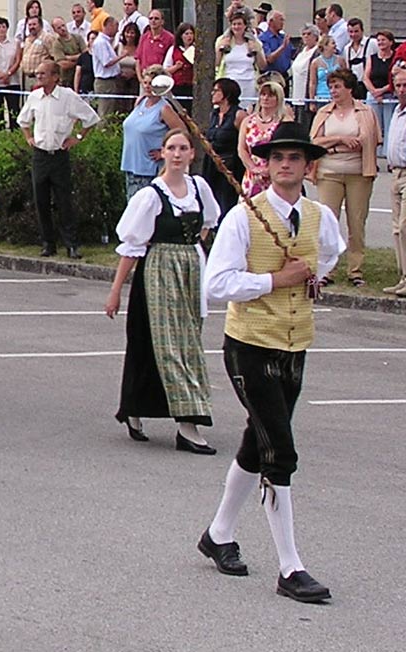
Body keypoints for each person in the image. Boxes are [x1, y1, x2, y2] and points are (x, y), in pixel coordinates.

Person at [196, 121, 342, 605]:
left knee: (256, 442)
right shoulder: (246, 217)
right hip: (250, 345)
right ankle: (290, 566)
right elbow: (217, 284)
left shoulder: (319, 216)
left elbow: (329, 256)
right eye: (277, 157)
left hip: (295, 343)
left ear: (307, 165)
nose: (285, 164)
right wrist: (275, 280)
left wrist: (314, 277)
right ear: (265, 163)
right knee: (279, 449)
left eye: (294, 157)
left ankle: (218, 533)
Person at [105, 129, 219, 453]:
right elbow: (131, 245)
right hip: (158, 272)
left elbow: (208, 223)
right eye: (172, 148)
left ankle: (144, 408)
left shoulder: (200, 188)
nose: (178, 154)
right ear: (163, 153)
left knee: (189, 342)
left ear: (192, 154)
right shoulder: (151, 195)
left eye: (184, 148)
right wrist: (115, 291)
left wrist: (192, 251)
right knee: (166, 346)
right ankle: (187, 423)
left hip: (190, 269)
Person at [18, 61, 100, 258]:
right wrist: (29, 137)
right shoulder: (35, 97)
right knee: (41, 201)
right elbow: (23, 120)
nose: (39, 77)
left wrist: (78, 137)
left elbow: (91, 118)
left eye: (43, 74)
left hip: (59, 155)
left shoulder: (67, 97)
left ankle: (71, 244)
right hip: (41, 155)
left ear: (55, 76)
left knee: (64, 201)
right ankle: (48, 242)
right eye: (37, 74)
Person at [309, 68, 379, 288]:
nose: (334, 91)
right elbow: (315, 141)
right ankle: (327, 269)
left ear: (349, 88)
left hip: (358, 172)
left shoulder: (365, 112)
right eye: (331, 87)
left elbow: (368, 139)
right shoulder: (324, 113)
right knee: (328, 222)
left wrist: (336, 144)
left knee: (356, 223)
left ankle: (355, 269)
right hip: (329, 173)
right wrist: (339, 140)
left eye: (338, 86)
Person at [120, 65, 186, 197]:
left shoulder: (164, 109)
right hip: (131, 165)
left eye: (151, 83)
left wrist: (163, 153)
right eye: (145, 82)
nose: (147, 86)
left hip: (149, 168)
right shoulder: (140, 102)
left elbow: (182, 132)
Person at [238, 79, 293, 198]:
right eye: (263, 94)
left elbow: (289, 149)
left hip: (277, 175)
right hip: (253, 176)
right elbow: (242, 149)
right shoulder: (248, 121)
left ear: (278, 99)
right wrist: (253, 168)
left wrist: (270, 169)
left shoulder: (285, 121)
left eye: (271, 95)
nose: (266, 98)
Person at [204, 79, 248, 216]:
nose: (213, 93)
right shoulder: (214, 114)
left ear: (227, 94)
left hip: (231, 165)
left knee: (226, 202)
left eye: (217, 90)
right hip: (211, 164)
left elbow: (246, 140)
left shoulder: (238, 115)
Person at [385, 69, 406, 296]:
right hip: (396, 173)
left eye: (405, 85)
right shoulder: (396, 111)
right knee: (397, 230)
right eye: (398, 85)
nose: (401, 90)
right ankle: (403, 276)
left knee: (405, 225)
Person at [217, 10, 265, 107]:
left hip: (249, 83)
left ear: (245, 26)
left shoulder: (255, 42)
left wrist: (257, 51)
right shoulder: (223, 40)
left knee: (247, 109)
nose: (236, 27)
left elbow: (262, 66)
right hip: (230, 82)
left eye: (239, 24)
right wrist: (219, 50)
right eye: (234, 24)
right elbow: (216, 63)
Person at [91, 17, 122, 116]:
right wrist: (122, 56)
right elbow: (107, 62)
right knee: (105, 110)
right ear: (109, 26)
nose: (117, 30)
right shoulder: (100, 42)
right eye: (116, 27)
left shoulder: (106, 42)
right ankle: (102, 130)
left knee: (111, 109)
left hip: (110, 81)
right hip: (105, 82)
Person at [162, 23, 197, 113]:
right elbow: (165, 70)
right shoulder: (173, 49)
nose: (189, 36)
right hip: (177, 86)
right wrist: (176, 67)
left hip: (191, 86)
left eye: (191, 33)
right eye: (186, 34)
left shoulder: (196, 49)